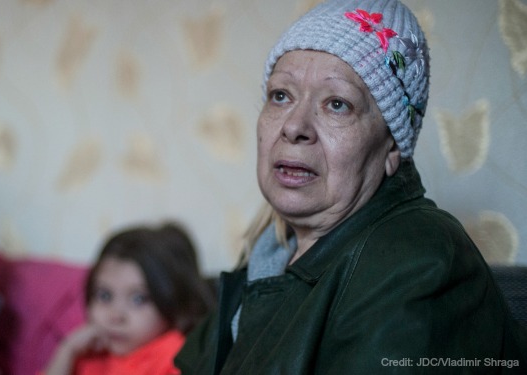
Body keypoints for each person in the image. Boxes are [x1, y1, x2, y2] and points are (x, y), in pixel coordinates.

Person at [175, 0, 527, 373]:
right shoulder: (269, 252)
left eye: (337, 104)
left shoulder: (420, 258)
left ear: (392, 146)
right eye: (281, 95)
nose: (294, 126)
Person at [43, 222, 215, 375]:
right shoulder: (87, 354)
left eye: (138, 299)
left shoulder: (177, 357)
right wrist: (67, 351)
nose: (116, 316)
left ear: (171, 300)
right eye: (105, 295)